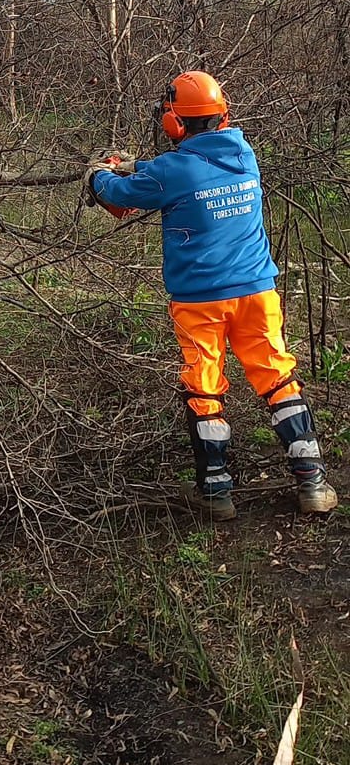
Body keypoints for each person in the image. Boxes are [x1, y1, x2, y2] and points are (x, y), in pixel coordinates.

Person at [85, 69, 338, 522]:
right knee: (278, 379)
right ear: (222, 114)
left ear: (175, 123)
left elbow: (122, 194)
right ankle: (312, 482)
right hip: (257, 291)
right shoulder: (244, 154)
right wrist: (139, 164)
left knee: (204, 388)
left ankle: (216, 492)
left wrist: (99, 176)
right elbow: (181, 171)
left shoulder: (172, 171)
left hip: (199, 299)